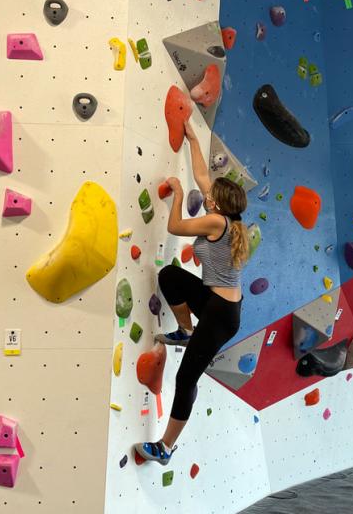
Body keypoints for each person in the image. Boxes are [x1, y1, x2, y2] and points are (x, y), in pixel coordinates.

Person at [134, 118, 249, 465]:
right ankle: (186, 329)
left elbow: (175, 226)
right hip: (213, 301)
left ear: (218, 205)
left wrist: (179, 196)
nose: (207, 193)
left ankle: (165, 447)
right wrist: (192, 137)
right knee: (171, 276)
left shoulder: (217, 222)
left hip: (221, 317)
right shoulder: (227, 218)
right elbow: (202, 174)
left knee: (186, 379)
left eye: (212, 196)